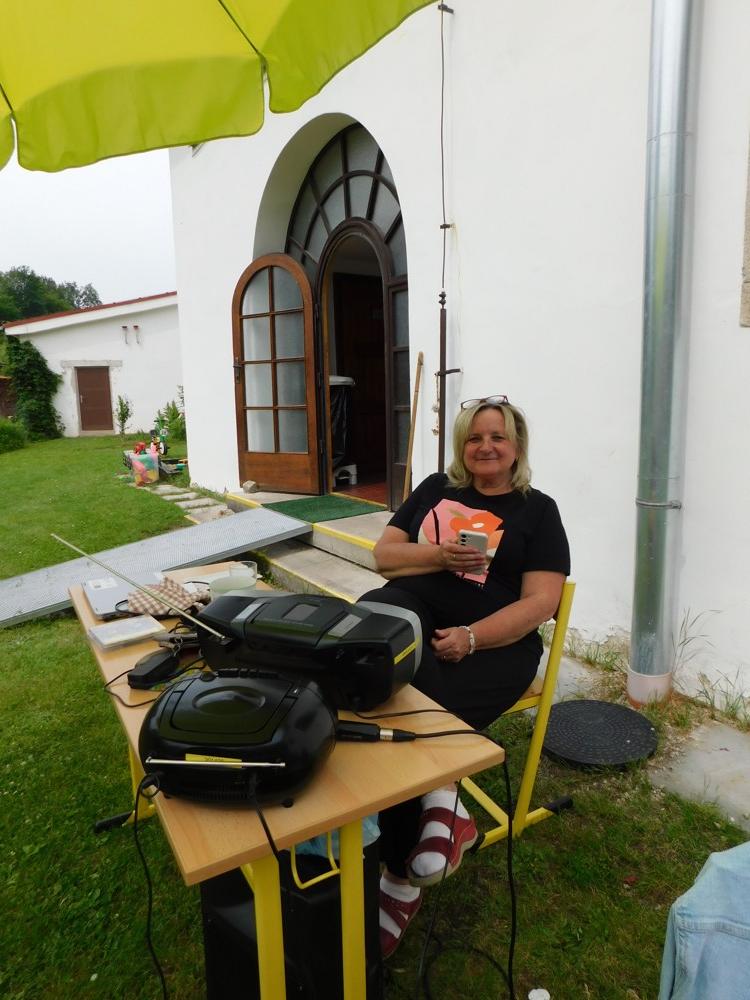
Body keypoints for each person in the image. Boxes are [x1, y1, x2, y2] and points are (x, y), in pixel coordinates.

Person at [358, 395, 570, 958]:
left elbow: (541, 603)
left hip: (494, 644)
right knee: (370, 640)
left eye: (498, 436)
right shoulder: (436, 488)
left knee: (403, 711)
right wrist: (439, 557)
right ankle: (442, 798)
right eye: (475, 437)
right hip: (420, 617)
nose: (486, 446)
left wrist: (472, 637)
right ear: (461, 445)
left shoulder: (538, 511)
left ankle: (400, 878)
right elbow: (385, 557)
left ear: (516, 446)